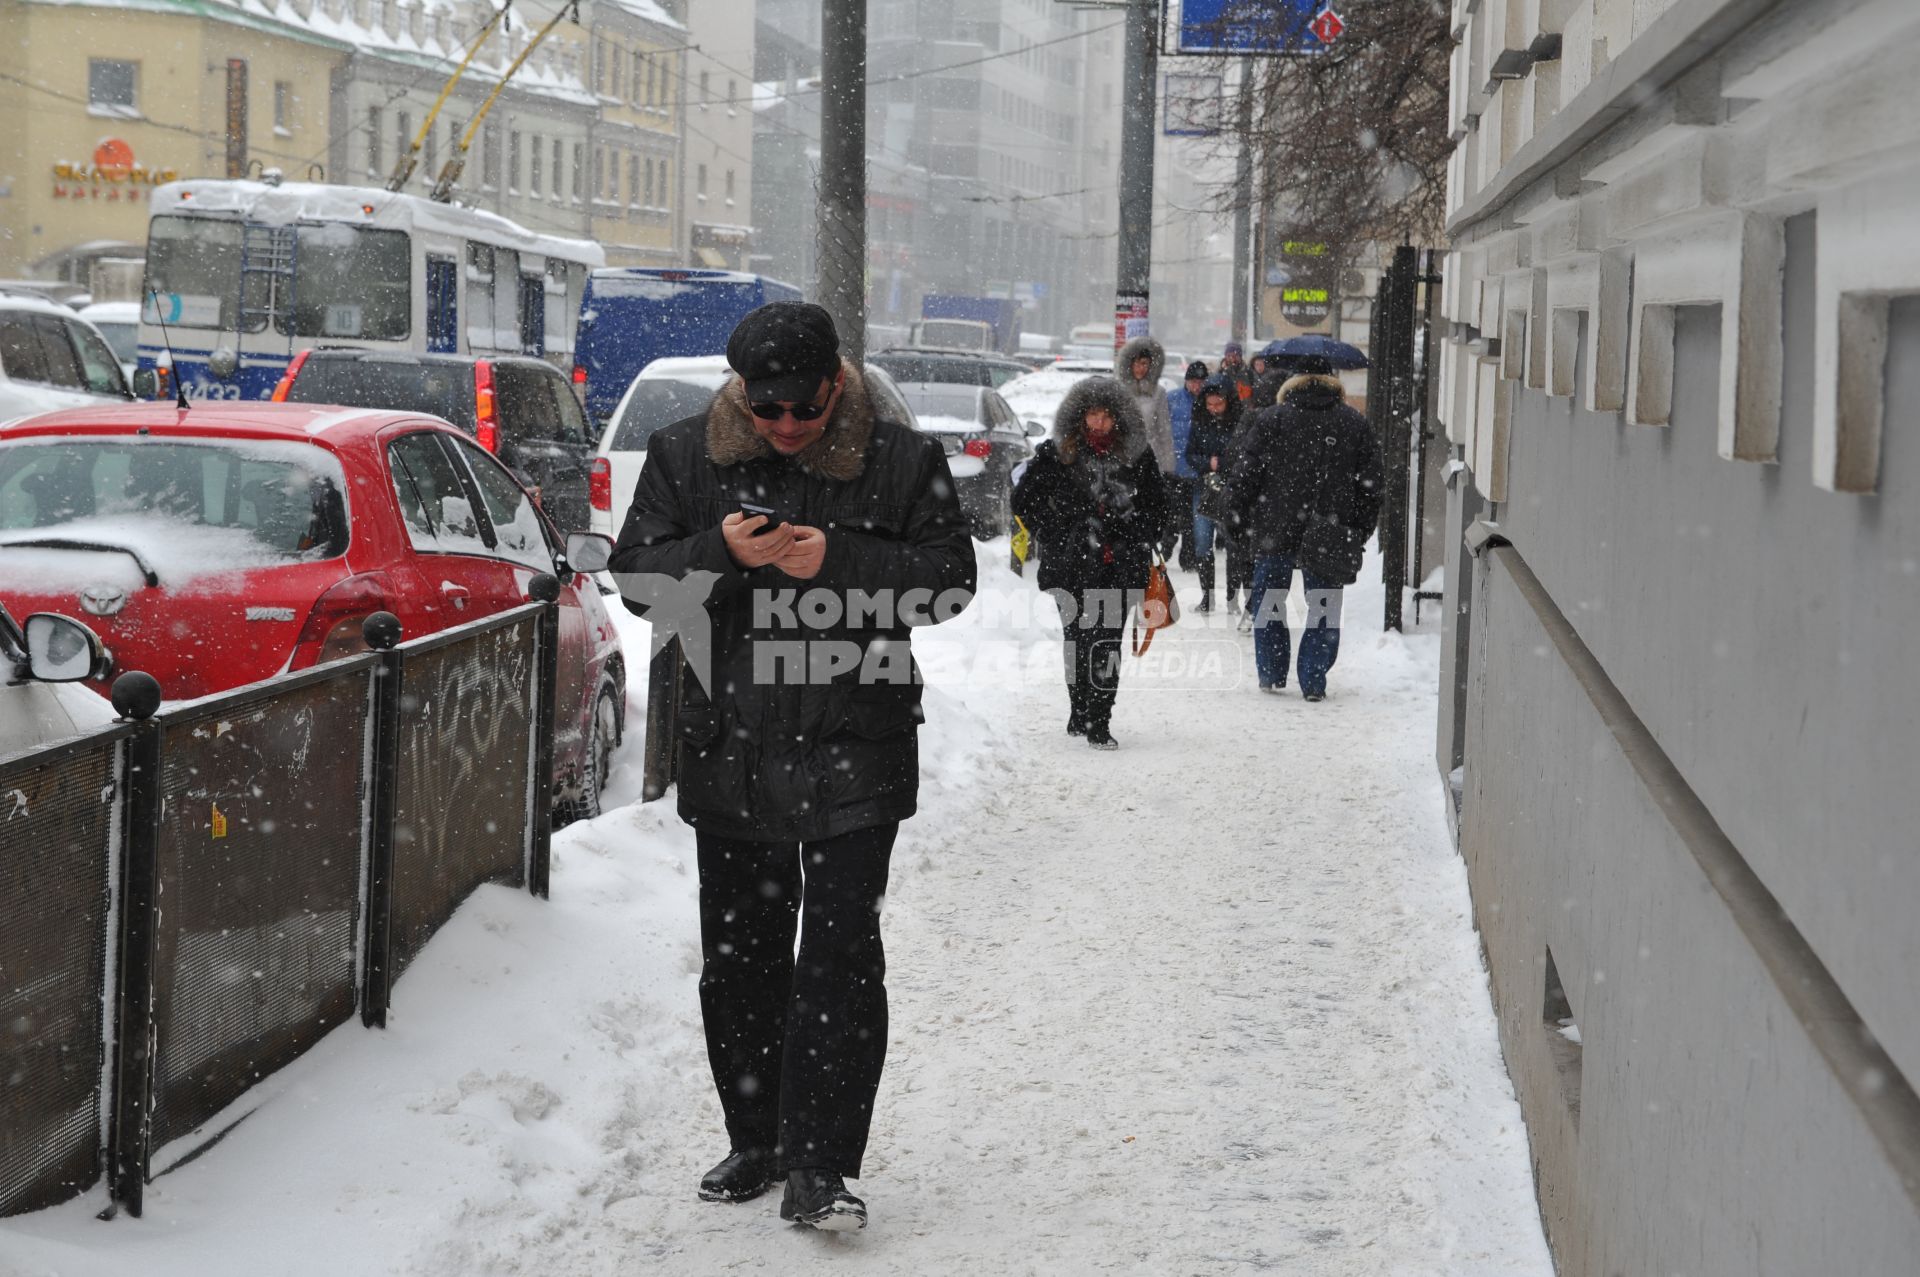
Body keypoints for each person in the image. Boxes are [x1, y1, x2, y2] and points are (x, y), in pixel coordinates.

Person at [609, 300, 976, 1231]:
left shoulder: (899, 458)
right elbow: (643, 579)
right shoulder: (686, 454)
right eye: (766, 411)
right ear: (740, 392)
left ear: (836, 384)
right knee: (743, 959)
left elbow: (950, 581)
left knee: (841, 959)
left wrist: (840, 559)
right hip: (730, 743)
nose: (784, 428)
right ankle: (758, 1137)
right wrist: (721, 553)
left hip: (859, 740)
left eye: (803, 412)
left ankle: (822, 1164)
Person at [1012, 376, 1169, 750]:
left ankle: (1100, 719)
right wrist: (1054, 532)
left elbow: (1158, 507)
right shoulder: (1056, 453)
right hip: (1071, 564)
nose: (1099, 423)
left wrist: (1135, 532)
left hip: (1119, 563)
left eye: (1106, 416)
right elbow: (1024, 500)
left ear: (1119, 418)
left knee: (1108, 641)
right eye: (1092, 415)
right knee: (1077, 639)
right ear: (1080, 417)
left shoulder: (1137, 454)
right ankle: (1078, 706)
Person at [1226, 354, 1383, 701]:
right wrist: (1359, 528)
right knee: (1324, 604)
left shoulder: (1271, 419)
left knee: (1270, 600)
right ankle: (1313, 679)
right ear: (1333, 381)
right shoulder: (1353, 423)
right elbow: (1371, 484)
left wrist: (1237, 517)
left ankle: (1271, 672)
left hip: (1274, 524)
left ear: (1292, 382)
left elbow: (1245, 475)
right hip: (1331, 527)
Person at [1183, 375, 1242, 613]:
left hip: (1232, 489)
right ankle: (1207, 597)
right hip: (1204, 488)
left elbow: (1246, 454)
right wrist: (1208, 463)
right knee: (1202, 543)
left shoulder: (1240, 423)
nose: (1214, 409)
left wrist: (1225, 464)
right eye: (1210, 404)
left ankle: (1232, 598)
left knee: (1233, 545)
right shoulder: (1199, 423)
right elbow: (1189, 454)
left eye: (1218, 404)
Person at [1165, 359, 1208, 569]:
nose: (1196, 386)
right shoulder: (1172, 399)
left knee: (1194, 517)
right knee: (1173, 515)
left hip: (1199, 470)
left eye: (1200, 381)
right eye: (1193, 381)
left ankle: (1189, 558)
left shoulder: (1211, 401)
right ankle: (1165, 549)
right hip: (1175, 468)